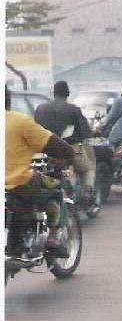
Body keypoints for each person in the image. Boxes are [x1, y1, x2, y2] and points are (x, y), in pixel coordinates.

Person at [6, 86, 75, 256]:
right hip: (18, 183)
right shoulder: (19, 121)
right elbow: (52, 143)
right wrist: (68, 153)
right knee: (57, 188)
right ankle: (52, 238)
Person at [34, 81, 96, 205]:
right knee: (89, 168)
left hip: (44, 151)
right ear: (67, 94)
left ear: (54, 93)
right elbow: (85, 132)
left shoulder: (41, 109)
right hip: (68, 149)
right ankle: (88, 193)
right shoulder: (74, 110)